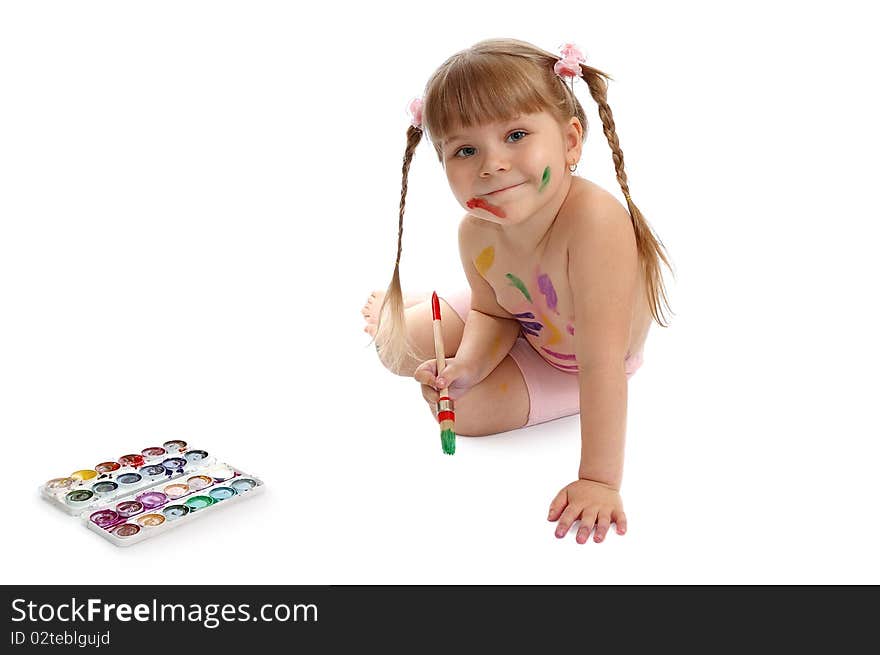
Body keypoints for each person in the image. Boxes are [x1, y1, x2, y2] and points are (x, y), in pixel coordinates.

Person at [362, 38, 674, 544]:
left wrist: (599, 479)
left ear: (571, 142)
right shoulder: (476, 229)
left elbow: (599, 364)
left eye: (516, 135)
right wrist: (469, 366)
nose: (491, 165)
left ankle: (432, 306)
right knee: (393, 348)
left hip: (581, 362)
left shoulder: (594, 225)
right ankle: (428, 305)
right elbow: (494, 312)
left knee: (461, 415)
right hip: (520, 323)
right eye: (466, 149)